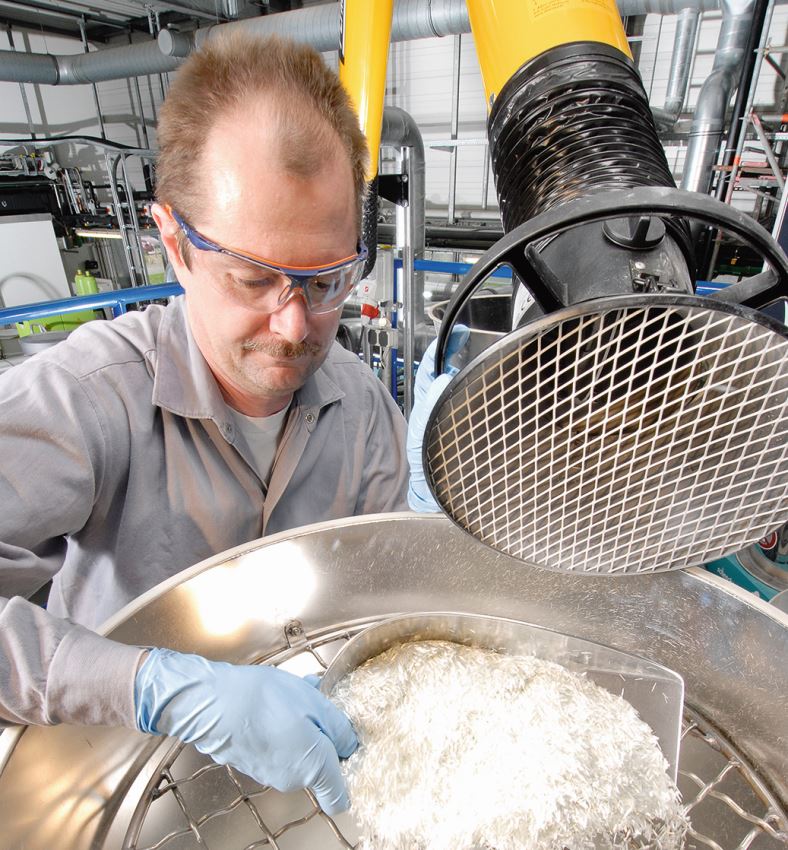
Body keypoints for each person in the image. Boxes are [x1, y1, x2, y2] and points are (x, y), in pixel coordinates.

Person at [0, 33, 408, 815]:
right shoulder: (89, 399)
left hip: (306, 771)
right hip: (120, 787)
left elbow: (382, 606)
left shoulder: (364, 414)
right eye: (253, 278)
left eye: (326, 280)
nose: (294, 326)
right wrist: (157, 688)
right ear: (174, 244)